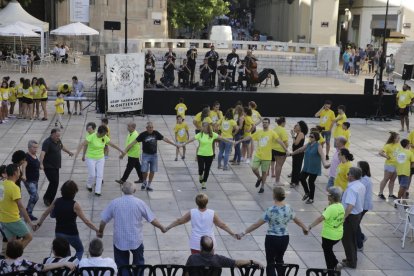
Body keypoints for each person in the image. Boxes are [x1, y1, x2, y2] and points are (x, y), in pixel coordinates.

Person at [237, 187, 308, 276]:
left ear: (274, 196)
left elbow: (256, 224)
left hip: (272, 238)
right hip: (284, 238)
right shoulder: (288, 208)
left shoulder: (270, 210)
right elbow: (297, 220)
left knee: (270, 262)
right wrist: (304, 228)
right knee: (280, 260)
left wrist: (243, 233)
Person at [98, 182, 166, 271]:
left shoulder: (114, 203)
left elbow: (103, 221)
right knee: (139, 265)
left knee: (122, 267)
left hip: (120, 241)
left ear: (122, 190)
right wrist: (161, 227)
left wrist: (101, 232)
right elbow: (152, 219)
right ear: (134, 190)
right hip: (136, 240)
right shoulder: (139, 203)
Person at [36, 180, 100, 260]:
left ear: (62, 191)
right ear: (74, 192)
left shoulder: (57, 201)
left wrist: (38, 224)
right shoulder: (75, 205)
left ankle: (67, 268)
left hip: (59, 233)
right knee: (80, 250)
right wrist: (97, 229)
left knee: (65, 254)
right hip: (72, 233)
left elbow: (45, 214)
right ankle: (74, 265)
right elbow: (86, 221)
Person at [165, 193, 237, 254]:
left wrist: (167, 228)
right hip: (209, 244)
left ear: (196, 202)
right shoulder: (212, 213)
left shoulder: (192, 212)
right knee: (209, 263)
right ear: (207, 202)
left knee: (196, 263)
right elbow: (222, 225)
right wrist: (233, 234)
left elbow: (179, 221)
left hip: (195, 243)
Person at [122, 122, 178, 191]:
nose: (151, 129)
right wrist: (124, 151)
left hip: (154, 156)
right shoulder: (142, 135)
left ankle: (149, 184)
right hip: (145, 155)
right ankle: (144, 181)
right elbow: (133, 143)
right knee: (144, 170)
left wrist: (174, 144)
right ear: (147, 128)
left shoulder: (156, 133)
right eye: (150, 127)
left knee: (152, 171)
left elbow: (165, 139)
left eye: (152, 127)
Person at [237, 118, 288, 193]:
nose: (264, 124)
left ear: (269, 124)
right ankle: (259, 178)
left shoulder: (272, 133)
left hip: (267, 157)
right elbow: (250, 137)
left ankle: (262, 186)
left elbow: (280, 141)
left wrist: (286, 150)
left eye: (266, 122)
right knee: (254, 168)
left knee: (264, 172)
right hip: (258, 155)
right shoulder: (259, 132)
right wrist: (240, 140)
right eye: (263, 122)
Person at [181, 122, 233, 189]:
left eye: (205, 127)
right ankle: (200, 175)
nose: (203, 128)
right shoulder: (200, 134)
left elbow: (222, 138)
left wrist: (231, 141)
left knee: (207, 169)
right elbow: (192, 139)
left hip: (209, 155)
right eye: (203, 127)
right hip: (200, 154)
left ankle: (204, 183)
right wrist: (184, 144)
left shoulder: (212, 134)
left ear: (208, 128)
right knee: (201, 168)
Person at [75, 125, 124, 196]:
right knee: (92, 174)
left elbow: (112, 144)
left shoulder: (104, 137)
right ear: (100, 133)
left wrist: (121, 151)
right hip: (91, 158)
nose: (105, 135)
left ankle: (98, 191)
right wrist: (77, 154)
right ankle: (89, 184)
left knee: (100, 175)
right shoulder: (91, 137)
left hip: (101, 158)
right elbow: (82, 145)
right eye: (104, 134)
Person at [308, 187, 345, 272]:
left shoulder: (330, 209)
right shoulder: (341, 206)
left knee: (327, 253)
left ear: (332, 197)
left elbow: (320, 218)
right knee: (328, 249)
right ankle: (336, 264)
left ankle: (331, 270)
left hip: (329, 236)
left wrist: (310, 226)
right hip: (338, 235)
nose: (327, 196)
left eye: (328, 195)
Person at [0, 164, 35, 248]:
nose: (20, 172)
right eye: (19, 171)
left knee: (11, 243)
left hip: (3, 219)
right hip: (13, 219)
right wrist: (30, 222)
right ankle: (14, 255)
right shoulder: (14, 188)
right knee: (28, 237)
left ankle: (10, 258)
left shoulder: (2, 184)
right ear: (15, 173)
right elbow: (21, 207)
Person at [289, 131, 330, 204]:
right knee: (301, 178)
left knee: (311, 182)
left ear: (316, 138)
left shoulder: (318, 146)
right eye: (310, 136)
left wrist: (324, 163)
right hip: (307, 166)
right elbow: (300, 149)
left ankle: (311, 198)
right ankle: (307, 192)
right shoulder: (308, 144)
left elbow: (322, 155)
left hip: (314, 167)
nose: (310, 137)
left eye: (312, 137)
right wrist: (292, 154)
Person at [40, 128, 74, 206]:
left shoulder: (58, 141)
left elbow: (62, 147)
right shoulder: (47, 142)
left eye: (59, 136)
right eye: (57, 136)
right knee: (54, 182)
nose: (58, 137)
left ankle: (49, 199)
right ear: (52, 134)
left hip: (56, 166)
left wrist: (69, 152)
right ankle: (47, 199)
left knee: (55, 183)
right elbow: (42, 153)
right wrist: (41, 164)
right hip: (49, 166)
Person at [341, 167, 366, 269]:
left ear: (351, 176)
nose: (347, 175)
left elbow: (350, 205)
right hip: (357, 215)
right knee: (351, 238)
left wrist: (344, 217)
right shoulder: (360, 185)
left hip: (351, 216)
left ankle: (351, 262)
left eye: (348, 174)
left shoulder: (352, 188)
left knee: (347, 239)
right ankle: (351, 258)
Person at [185, 236, 263, 268]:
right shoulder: (219, 259)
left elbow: (186, 273)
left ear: (201, 247)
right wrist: (252, 261)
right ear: (212, 248)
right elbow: (236, 262)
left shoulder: (192, 258)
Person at [0, 240, 76, 274]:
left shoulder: (1, 263)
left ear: (7, 251)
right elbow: (44, 267)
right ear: (20, 252)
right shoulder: (25, 264)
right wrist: (63, 263)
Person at [356, 161, 373, 251]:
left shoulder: (365, 180)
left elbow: (359, 192)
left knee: (355, 224)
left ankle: (360, 245)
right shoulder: (362, 178)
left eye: (358, 166)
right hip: (362, 205)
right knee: (356, 223)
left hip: (363, 205)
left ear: (362, 169)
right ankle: (362, 237)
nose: (356, 167)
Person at [378, 131, 400, 200]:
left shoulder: (399, 145)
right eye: (397, 138)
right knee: (386, 179)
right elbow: (380, 152)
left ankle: (391, 194)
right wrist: (386, 157)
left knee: (392, 180)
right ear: (394, 139)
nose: (399, 139)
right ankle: (380, 193)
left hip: (397, 165)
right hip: (389, 165)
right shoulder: (388, 145)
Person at [22, 140, 40, 221]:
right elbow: (23, 166)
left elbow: (36, 164)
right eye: (34, 147)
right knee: (34, 196)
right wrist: (23, 175)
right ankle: (28, 213)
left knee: (34, 197)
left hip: (35, 180)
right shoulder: (26, 157)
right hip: (29, 180)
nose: (36, 149)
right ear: (29, 148)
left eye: (37, 147)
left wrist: (40, 166)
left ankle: (28, 212)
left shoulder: (35, 155)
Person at [271, 117, 289, 185]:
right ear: (283, 123)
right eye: (285, 122)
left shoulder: (274, 129)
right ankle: (277, 181)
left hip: (274, 149)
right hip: (280, 150)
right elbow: (285, 142)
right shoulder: (283, 130)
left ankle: (277, 180)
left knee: (277, 165)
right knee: (279, 165)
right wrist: (286, 149)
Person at [289, 121, 308, 188]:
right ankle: (294, 181)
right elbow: (295, 143)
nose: (296, 126)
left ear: (300, 127)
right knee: (295, 167)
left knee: (296, 167)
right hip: (296, 153)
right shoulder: (298, 133)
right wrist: (293, 135)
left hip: (299, 153)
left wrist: (293, 136)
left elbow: (296, 143)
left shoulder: (301, 134)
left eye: (297, 125)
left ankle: (295, 182)